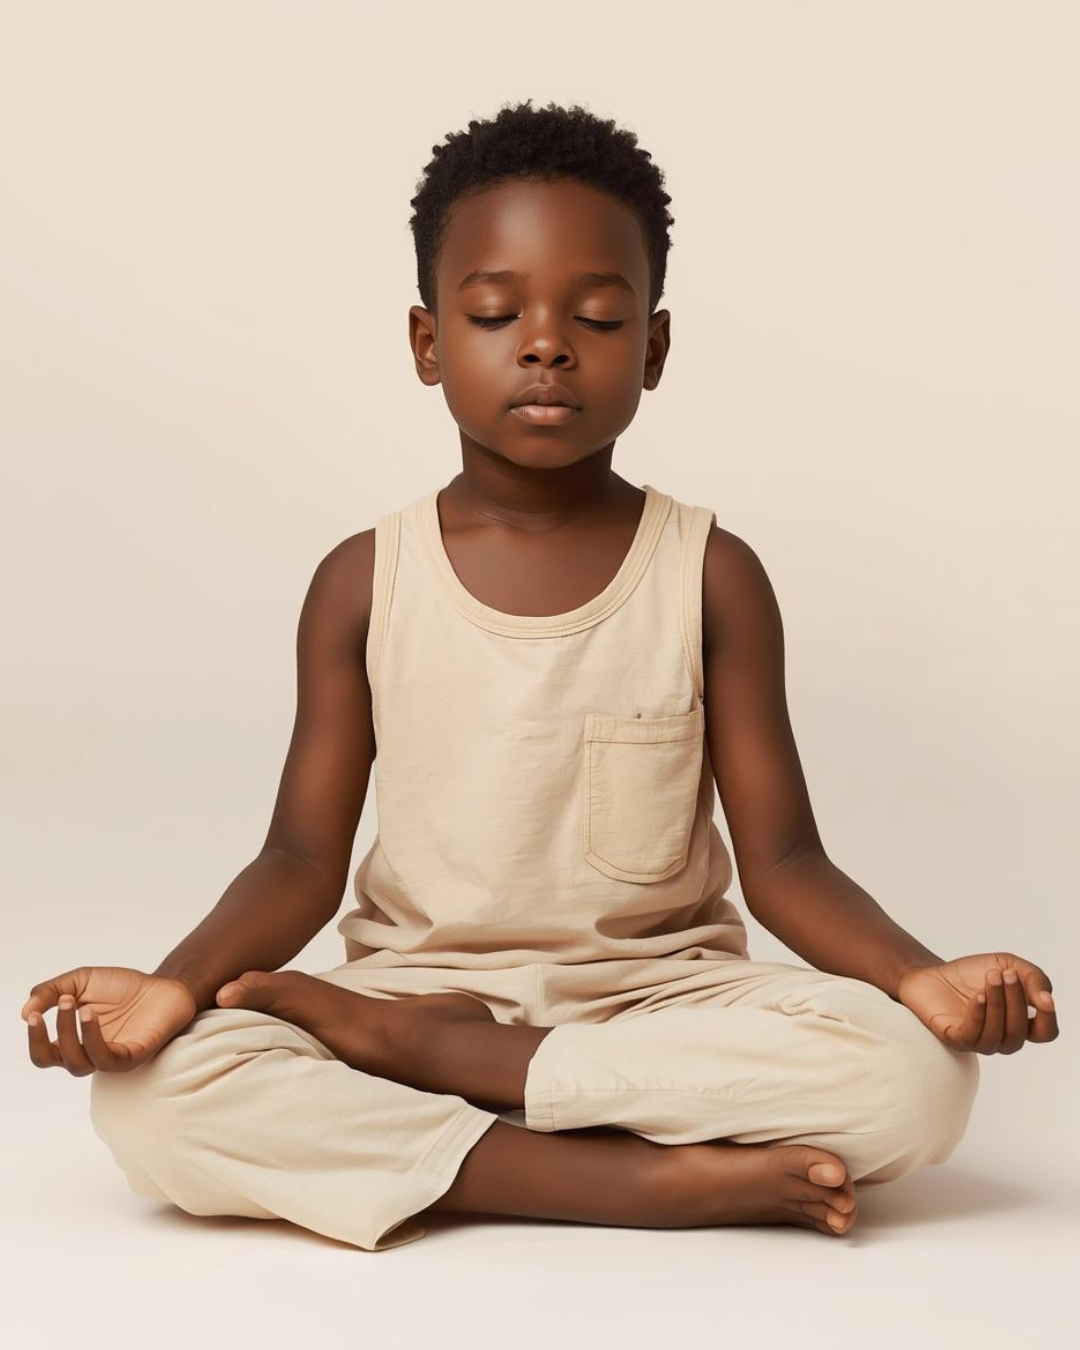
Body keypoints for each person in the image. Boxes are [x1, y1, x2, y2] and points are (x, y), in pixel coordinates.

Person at [22, 99, 1059, 1253]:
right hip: (408, 990)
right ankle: (635, 1183)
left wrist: (921, 981)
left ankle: (463, 1082)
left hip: (659, 1003)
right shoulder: (365, 580)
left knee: (918, 1083)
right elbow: (301, 859)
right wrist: (174, 987)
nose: (546, 342)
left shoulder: (710, 573)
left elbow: (785, 863)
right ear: (429, 342)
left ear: (654, 347)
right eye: (495, 311)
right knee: (155, 1100)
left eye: (599, 315)